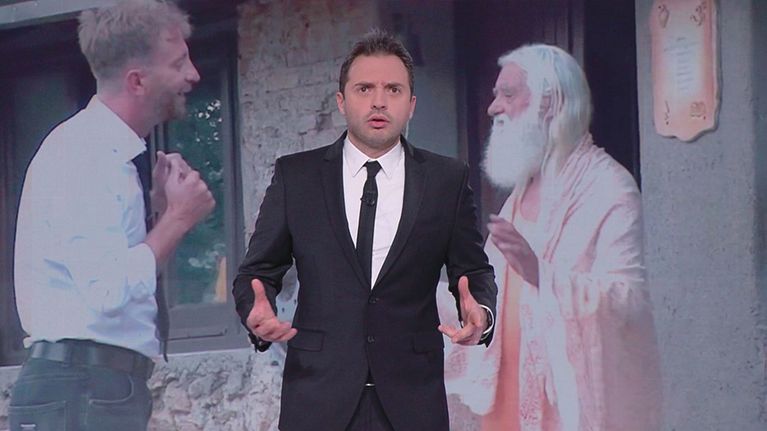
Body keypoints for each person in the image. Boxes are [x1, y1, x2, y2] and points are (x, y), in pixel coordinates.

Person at [233, 29, 497, 431]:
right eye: (364, 89)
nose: (378, 101)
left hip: (412, 401)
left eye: (393, 89)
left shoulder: (447, 180)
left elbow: (473, 270)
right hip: (317, 400)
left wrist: (481, 312)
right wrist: (255, 310)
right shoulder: (297, 177)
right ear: (342, 101)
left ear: (411, 105)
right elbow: (256, 272)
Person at [9, 1, 214, 430]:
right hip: (81, 388)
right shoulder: (87, 154)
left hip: (87, 387)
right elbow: (107, 290)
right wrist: (177, 218)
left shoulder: (99, 152)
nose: (193, 74)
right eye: (178, 63)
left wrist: (159, 215)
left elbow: (109, 283)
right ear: (137, 81)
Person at [445, 44, 662, 431]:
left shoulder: (609, 187)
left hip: (569, 411)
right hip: (503, 405)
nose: (493, 107)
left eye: (507, 94)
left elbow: (628, 300)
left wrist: (542, 275)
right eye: (495, 95)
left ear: (551, 103)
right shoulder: (523, 190)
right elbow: (488, 295)